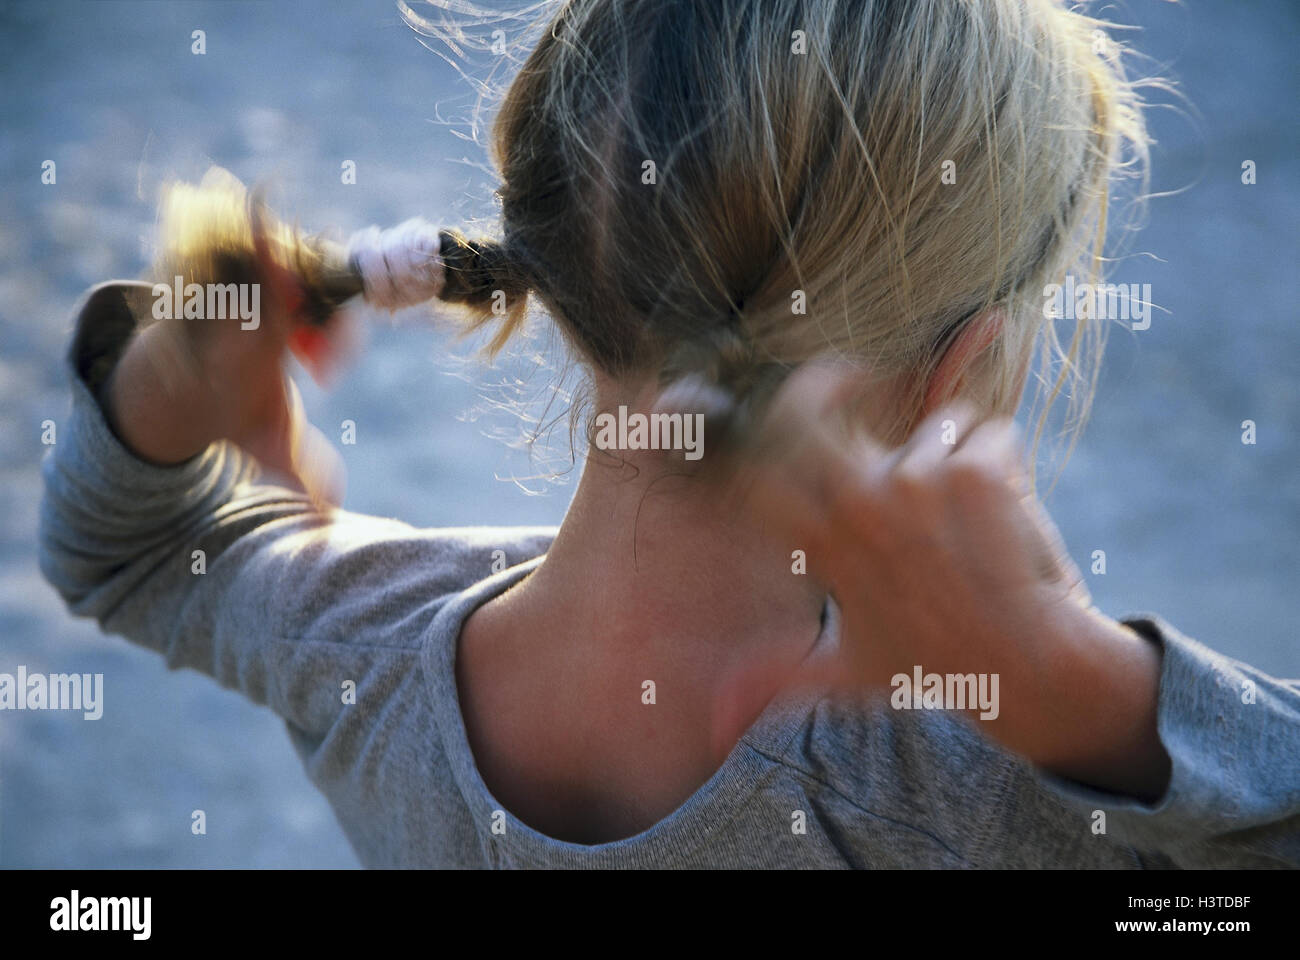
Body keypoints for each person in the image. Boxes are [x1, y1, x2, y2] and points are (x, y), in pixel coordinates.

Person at [39, 0, 1299, 867]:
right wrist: (1088, 696)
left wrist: (174, 381)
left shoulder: (358, 646)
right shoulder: (1012, 802)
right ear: (962, 367)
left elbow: (124, 554)